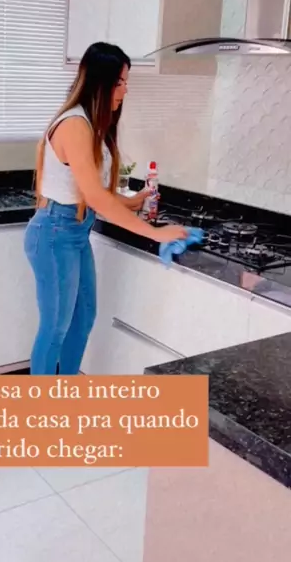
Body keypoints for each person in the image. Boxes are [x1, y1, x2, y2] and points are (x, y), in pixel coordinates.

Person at [24, 41, 188, 376]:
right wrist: (155, 233)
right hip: (54, 233)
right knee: (55, 329)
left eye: (126, 82)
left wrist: (132, 201)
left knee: (83, 319)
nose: (125, 90)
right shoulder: (74, 125)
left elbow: (91, 191)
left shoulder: (91, 124)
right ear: (101, 83)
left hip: (74, 232)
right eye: (120, 82)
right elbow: (96, 198)